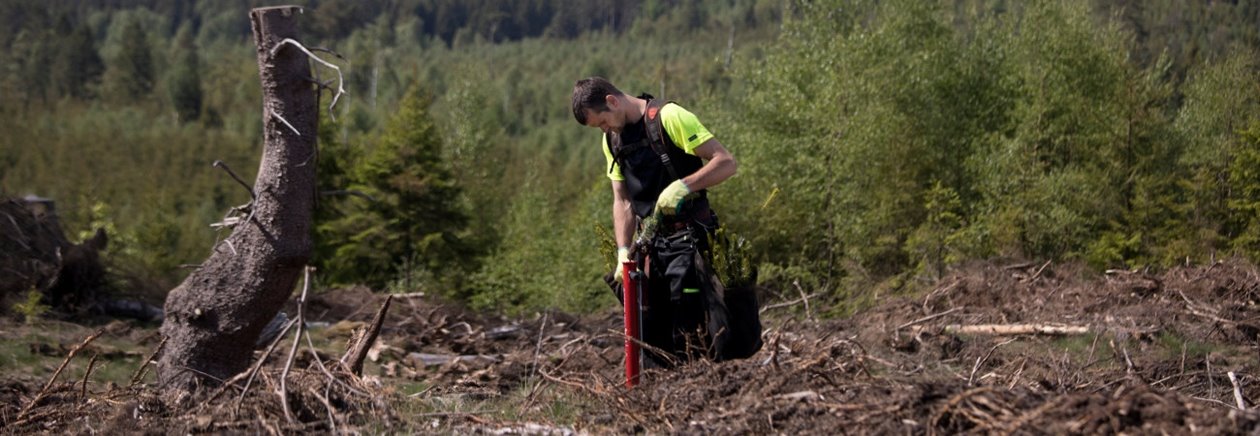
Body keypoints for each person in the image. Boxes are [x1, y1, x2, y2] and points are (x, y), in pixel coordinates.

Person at [571, 77, 745, 366]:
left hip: (693, 243)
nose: (604, 129)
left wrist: (685, 186)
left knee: (700, 335)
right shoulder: (612, 140)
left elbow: (726, 162)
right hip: (652, 249)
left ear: (612, 101)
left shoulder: (669, 118)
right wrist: (622, 252)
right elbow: (622, 200)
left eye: (603, 121)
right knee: (654, 342)